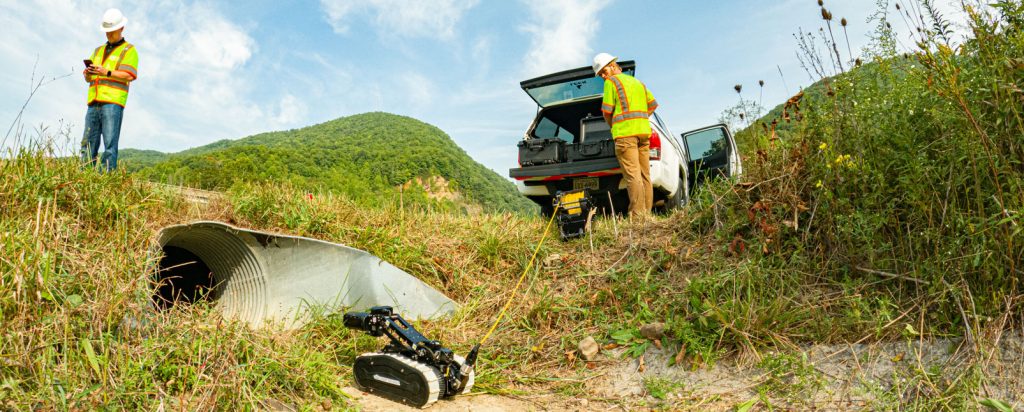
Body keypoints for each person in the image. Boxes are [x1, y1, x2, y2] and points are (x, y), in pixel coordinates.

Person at [594, 53, 657, 218]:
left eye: (603, 71)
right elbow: (652, 105)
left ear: (613, 65)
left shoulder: (611, 82)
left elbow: (607, 111)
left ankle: (637, 217)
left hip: (625, 135)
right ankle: (646, 216)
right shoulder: (638, 82)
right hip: (643, 133)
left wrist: (614, 126)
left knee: (633, 176)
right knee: (645, 176)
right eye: (600, 75)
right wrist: (640, 119)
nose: (603, 76)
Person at [81, 8, 138, 172]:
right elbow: (89, 79)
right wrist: (88, 74)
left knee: (109, 147)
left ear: (121, 28)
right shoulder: (97, 51)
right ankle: (84, 179)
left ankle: (107, 180)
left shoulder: (129, 50)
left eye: (112, 31)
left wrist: (106, 72)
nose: (109, 34)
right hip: (93, 103)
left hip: (112, 104)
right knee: (87, 145)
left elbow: (129, 75)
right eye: (107, 31)